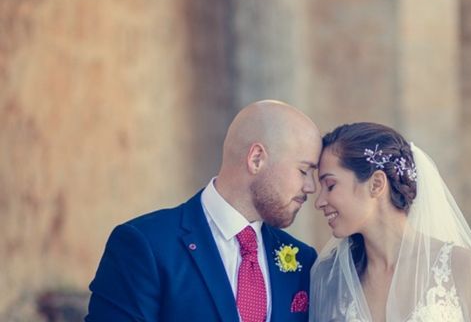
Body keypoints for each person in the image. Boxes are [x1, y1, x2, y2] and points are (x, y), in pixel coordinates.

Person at [86, 100, 322, 322]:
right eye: (304, 171)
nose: (311, 187)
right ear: (256, 158)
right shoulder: (145, 245)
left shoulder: (304, 260)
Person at [310, 122, 471, 322]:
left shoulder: (462, 267)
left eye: (330, 185)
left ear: (376, 184)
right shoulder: (329, 279)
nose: (319, 202)